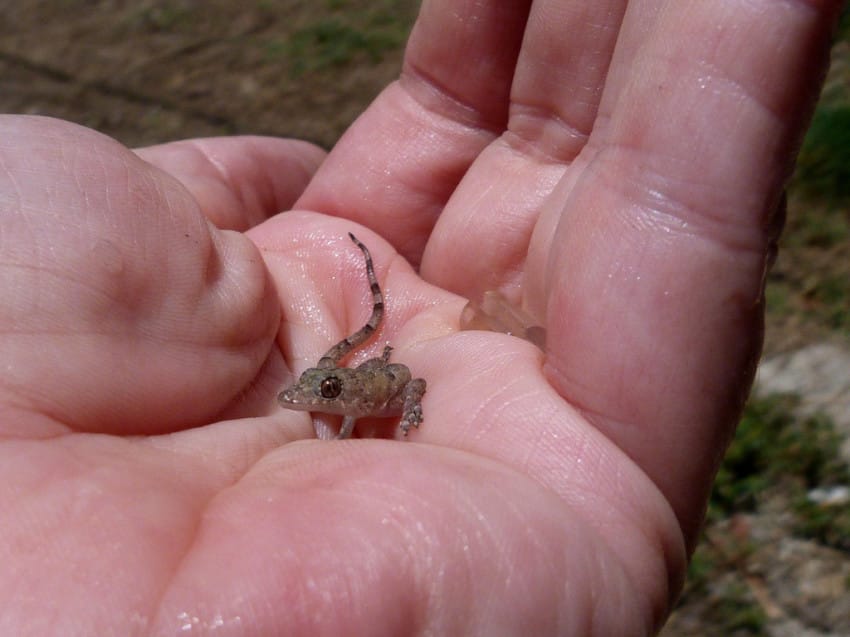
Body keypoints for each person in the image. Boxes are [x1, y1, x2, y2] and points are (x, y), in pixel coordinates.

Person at [0, 2, 841, 634]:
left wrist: (396, 406)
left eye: (320, 388)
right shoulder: (320, 392)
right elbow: (329, 387)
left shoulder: (364, 387)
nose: (306, 396)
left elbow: (395, 377)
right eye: (318, 388)